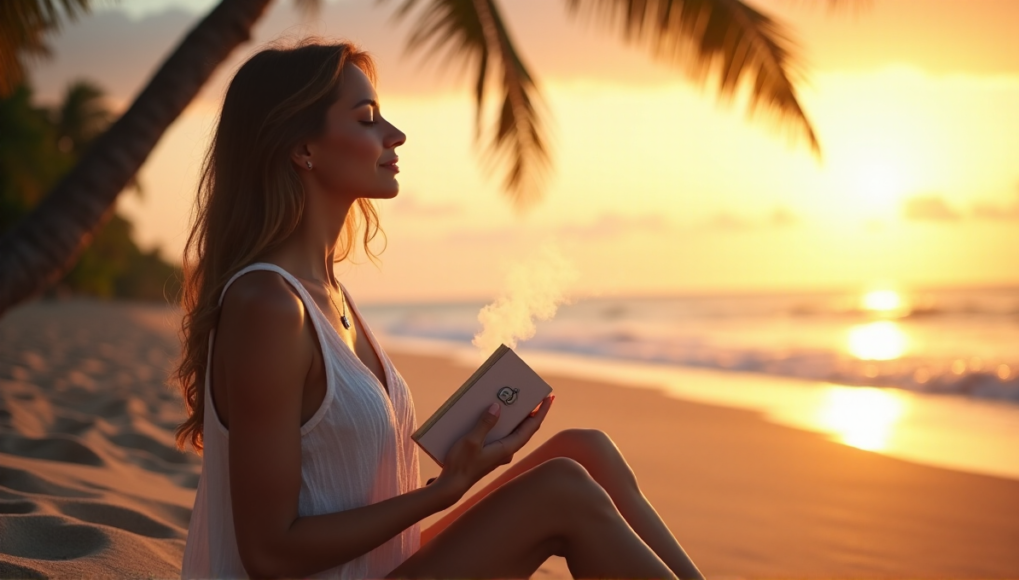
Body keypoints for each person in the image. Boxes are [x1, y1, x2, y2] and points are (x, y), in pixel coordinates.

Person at [175, 39, 704, 579]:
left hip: (378, 569)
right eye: (367, 119)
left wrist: (453, 479)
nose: (395, 135)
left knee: (585, 451)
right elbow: (269, 554)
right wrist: (443, 492)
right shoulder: (268, 305)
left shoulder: (328, 293)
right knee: (562, 488)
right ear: (301, 148)